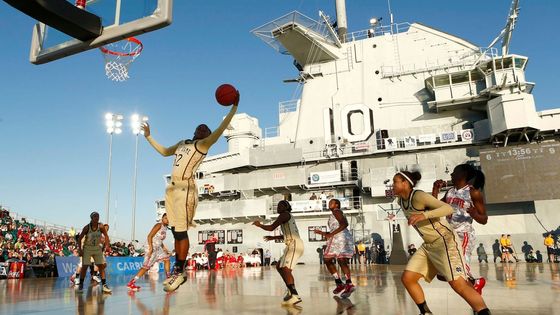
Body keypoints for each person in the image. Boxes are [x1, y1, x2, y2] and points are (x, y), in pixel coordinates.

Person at [142, 93, 239, 292]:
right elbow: (162, 151)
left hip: (186, 188)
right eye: (201, 126)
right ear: (195, 130)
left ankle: (179, 270)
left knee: (182, 232)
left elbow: (220, 129)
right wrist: (148, 136)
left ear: (206, 136)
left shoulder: (202, 145)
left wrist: (233, 107)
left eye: (207, 129)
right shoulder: (182, 143)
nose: (203, 127)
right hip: (172, 189)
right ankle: (179, 272)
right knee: (176, 232)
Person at [394, 170, 490, 315]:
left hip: (445, 240)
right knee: (408, 278)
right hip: (429, 244)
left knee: (458, 284)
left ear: (405, 183)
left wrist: (423, 215)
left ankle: (483, 311)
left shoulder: (418, 195)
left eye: (395, 181)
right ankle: (426, 312)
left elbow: (447, 208)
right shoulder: (400, 200)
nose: (392, 184)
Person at [432, 163, 488, 293]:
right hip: (450, 235)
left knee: (460, 271)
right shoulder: (450, 192)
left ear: (463, 175)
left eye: (454, 172)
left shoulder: (473, 192)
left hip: (464, 234)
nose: (451, 174)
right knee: (443, 275)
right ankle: (476, 283)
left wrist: (475, 214)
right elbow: (435, 207)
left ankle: (477, 302)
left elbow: (484, 219)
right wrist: (435, 189)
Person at [253, 200, 304, 306]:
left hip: (294, 244)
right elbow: (286, 234)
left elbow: (271, 227)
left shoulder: (284, 214)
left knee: (285, 268)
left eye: (280, 205)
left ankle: (295, 295)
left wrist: (260, 225)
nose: (278, 207)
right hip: (292, 244)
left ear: (286, 207)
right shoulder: (287, 217)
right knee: (279, 266)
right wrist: (273, 237)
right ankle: (290, 290)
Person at [315, 199, 356, 298]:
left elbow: (344, 224)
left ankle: (340, 283)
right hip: (343, 237)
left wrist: (331, 234)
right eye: (329, 203)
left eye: (331, 202)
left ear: (337, 204)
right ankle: (348, 283)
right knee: (341, 261)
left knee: (327, 259)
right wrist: (323, 233)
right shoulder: (335, 213)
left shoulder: (336, 211)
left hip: (339, 237)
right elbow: (337, 227)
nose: (329, 204)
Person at [127, 211, 171, 291]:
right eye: (165, 218)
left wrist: (164, 248)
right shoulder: (158, 225)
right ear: (162, 219)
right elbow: (149, 236)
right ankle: (131, 283)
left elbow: (159, 239)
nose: (167, 220)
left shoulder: (165, 228)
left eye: (169, 219)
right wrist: (150, 248)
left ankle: (168, 278)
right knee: (146, 267)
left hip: (158, 248)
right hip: (151, 247)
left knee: (167, 259)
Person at [76, 212, 111, 293]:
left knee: (101, 267)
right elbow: (79, 238)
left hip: (97, 248)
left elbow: (106, 235)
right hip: (87, 248)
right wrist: (80, 250)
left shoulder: (101, 226)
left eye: (98, 216)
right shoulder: (86, 228)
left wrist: (107, 245)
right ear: (91, 218)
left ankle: (104, 285)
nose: (97, 218)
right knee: (84, 267)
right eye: (95, 216)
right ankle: (81, 284)